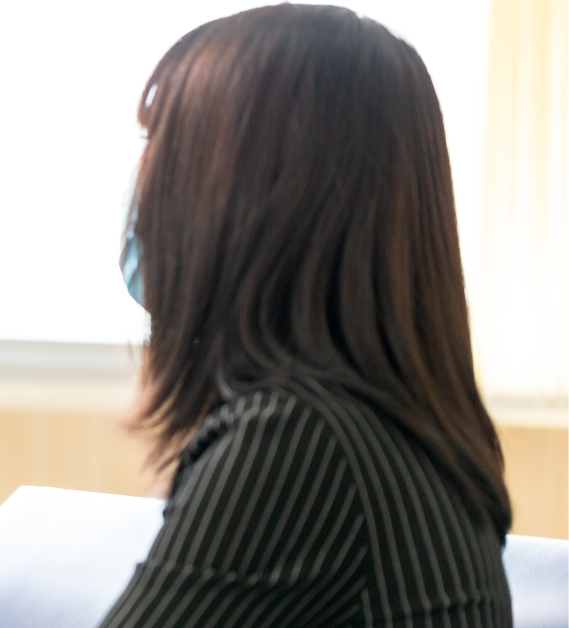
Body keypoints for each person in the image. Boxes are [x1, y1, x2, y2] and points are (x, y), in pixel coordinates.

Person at [104, 5, 512, 626]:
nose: (143, 178)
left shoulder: (300, 440)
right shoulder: (390, 429)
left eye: (161, 142)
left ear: (255, 194)